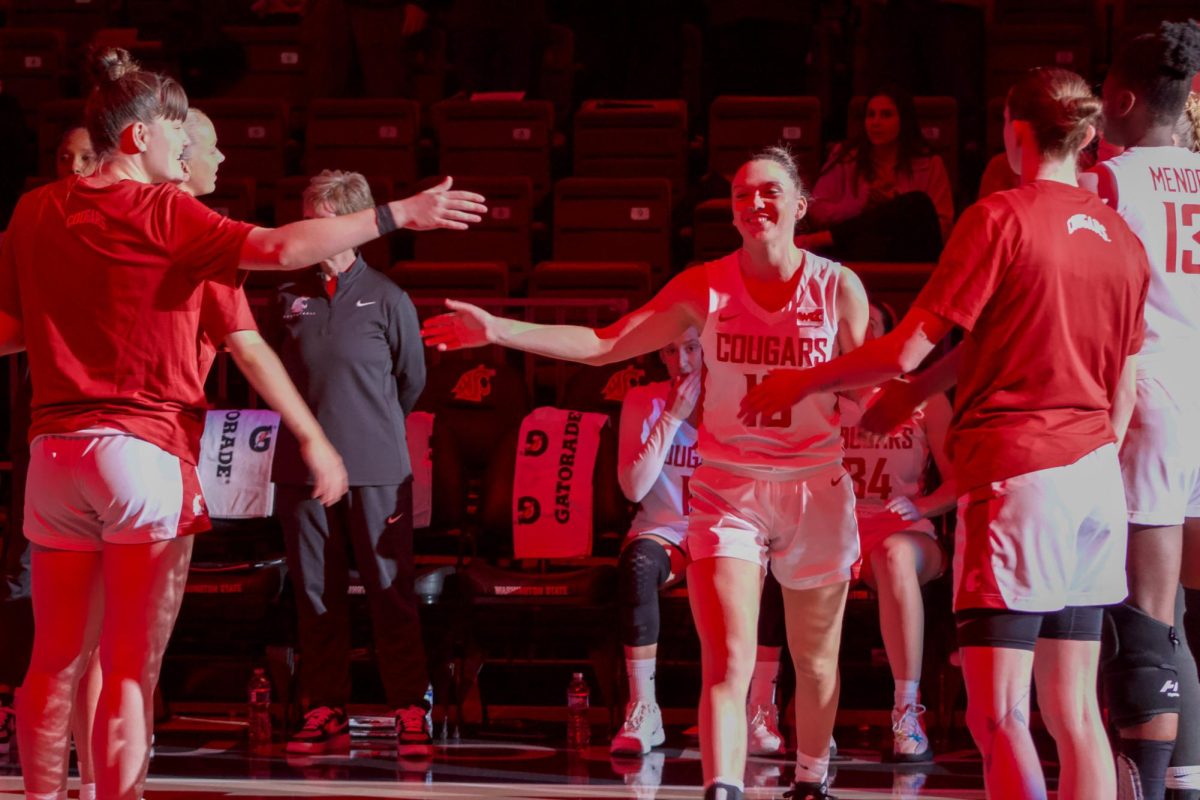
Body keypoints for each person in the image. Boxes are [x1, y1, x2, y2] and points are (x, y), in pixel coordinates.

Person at [0, 47, 485, 800]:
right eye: (177, 133)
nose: (187, 146)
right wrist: (398, 213)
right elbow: (279, 251)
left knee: (55, 659)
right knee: (130, 667)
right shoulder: (169, 210)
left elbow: (9, 330)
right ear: (139, 138)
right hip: (142, 450)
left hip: (52, 453)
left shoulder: (33, 208)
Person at [738, 68, 1149, 800]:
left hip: (1018, 475)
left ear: (1013, 132)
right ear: (1082, 135)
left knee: (999, 717)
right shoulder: (1120, 236)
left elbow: (904, 346)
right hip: (1094, 483)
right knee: (1076, 711)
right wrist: (911, 400)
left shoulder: (1000, 217)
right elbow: (1109, 376)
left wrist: (804, 379)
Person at [424, 144, 869, 800]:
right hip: (729, 488)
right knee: (728, 662)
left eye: (769, 191)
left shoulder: (838, 287)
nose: (754, 204)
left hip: (813, 484)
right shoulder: (706, 285)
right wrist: (498, 329)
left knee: (818, 663)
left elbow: (869, 391)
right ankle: (723, 788)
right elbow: (606, 344)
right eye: (743, 194)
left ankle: (810, 779)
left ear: (801, 205)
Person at [269, 169, 433, 758]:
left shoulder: (388, 297)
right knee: (316, 592)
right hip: (300, 473)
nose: (306, 228)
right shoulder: (287, 297)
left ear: (350, 227)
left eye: (318, 218)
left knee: (391, 591)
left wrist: (366, 430)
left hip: (378, 470)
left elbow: (411, 381)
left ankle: (411, 706)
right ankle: (324, 707)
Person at [749, 302, 956, 765]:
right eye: (847, 332)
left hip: (900, 527)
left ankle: (907, 713)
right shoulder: (817, 396)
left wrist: (922, 504)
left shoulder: (920, 397)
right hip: (834, 526)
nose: (858, 340)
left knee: (896, 556)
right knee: (779, 550)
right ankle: (766, 707)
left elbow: (963, 478)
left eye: (870, 330)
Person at [1077, 22, 1200, 800]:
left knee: (1145, 614)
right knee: (1178, 612)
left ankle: (1148, 787)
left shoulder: (1109, 184)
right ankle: (1185, 779)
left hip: (1151, 395)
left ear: (1118, 99)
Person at [609, 329, 701, 757]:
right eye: (670, 349)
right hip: (664, 528)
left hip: (725, 528)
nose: (681, 361)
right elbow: (632, 488)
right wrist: (672, 417)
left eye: (692, 348)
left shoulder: (736, 400)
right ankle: (644, 707)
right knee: (638, 566)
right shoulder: (642, 400)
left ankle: (757, 707)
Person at [799, 86, 954, 262]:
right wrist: (860, 205)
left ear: (904, 120)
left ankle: (825, 238)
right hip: (855, 248)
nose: (876, 122)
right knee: (868, 239)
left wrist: (894, 212)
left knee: (917, 203)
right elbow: (816, 210)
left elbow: (942, 227)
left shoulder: (930, 163)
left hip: (908, 251)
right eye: (871, 115)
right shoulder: (846, 156)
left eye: (886, 115)